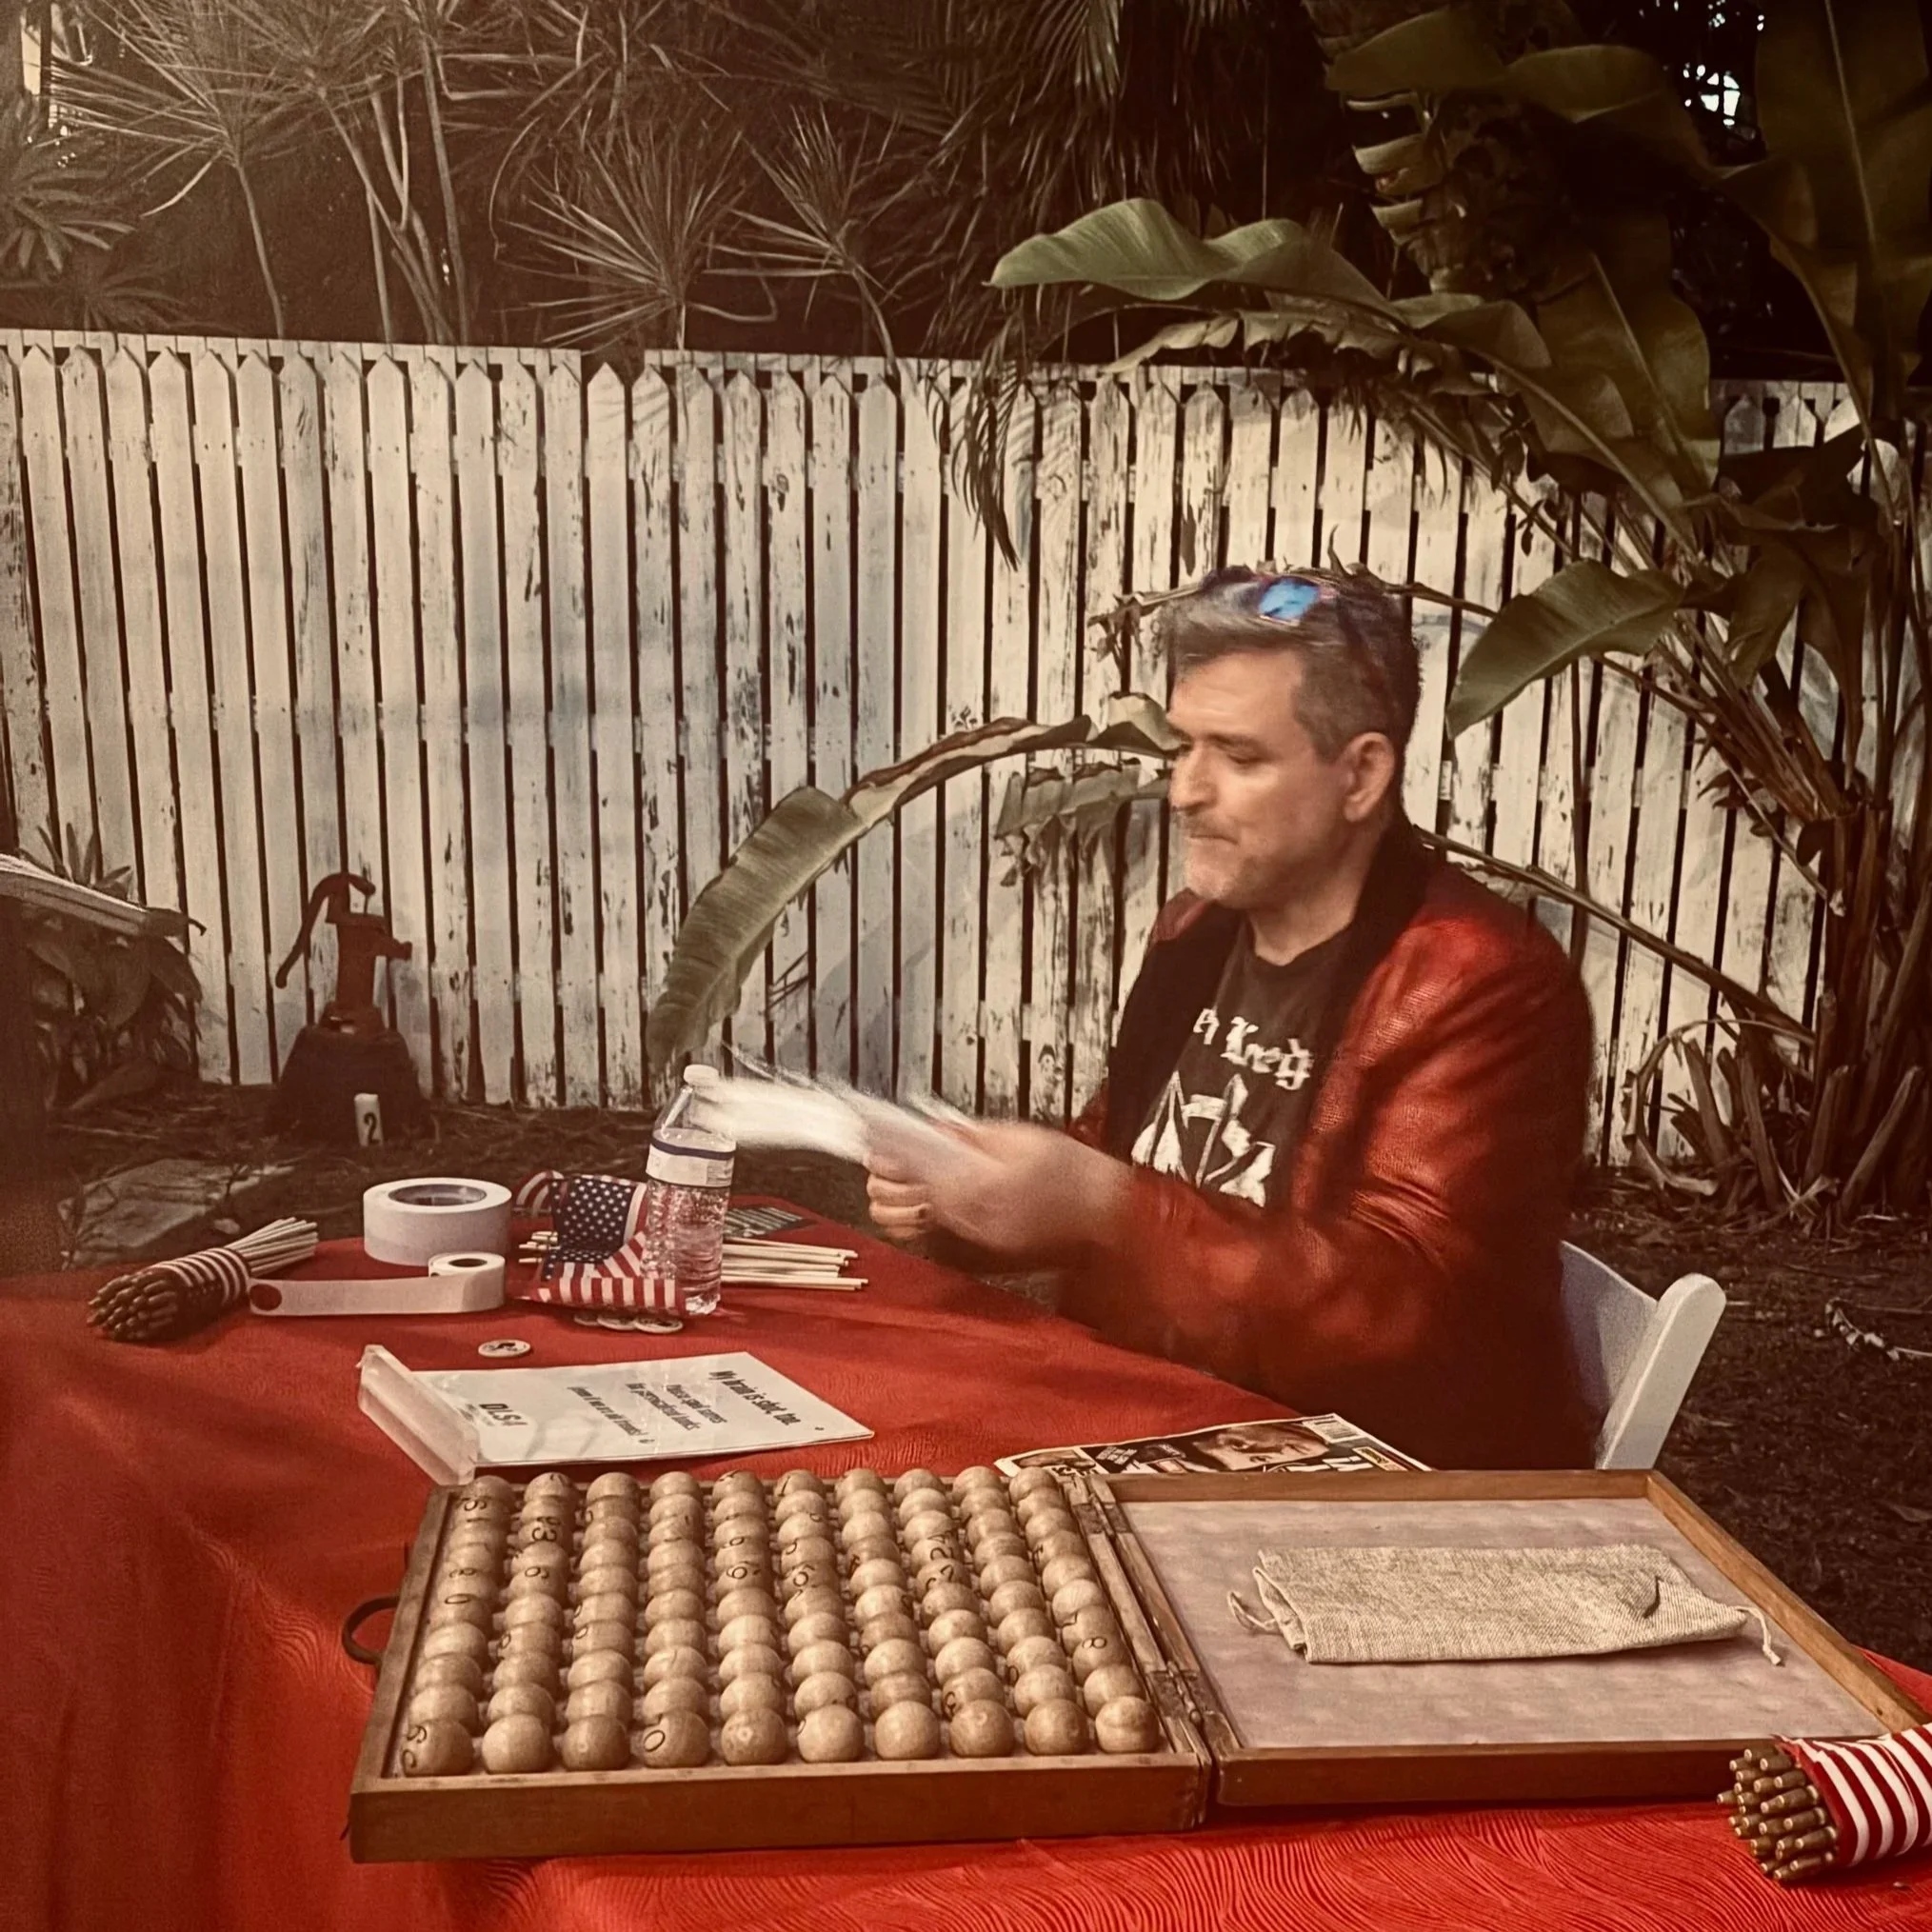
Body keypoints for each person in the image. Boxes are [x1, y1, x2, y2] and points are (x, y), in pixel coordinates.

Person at [868, 566, 1597, 1470]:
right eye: (1183, 746)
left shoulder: (1483, 981)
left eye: (1239, 755)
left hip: (1366, 1490)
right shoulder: (1198, 932)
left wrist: (1107, 1205)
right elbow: (1120, 1153)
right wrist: (965, 1197)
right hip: (1148, 1417)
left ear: (1361, 773)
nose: (1183, 790)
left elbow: (1403, 1311)